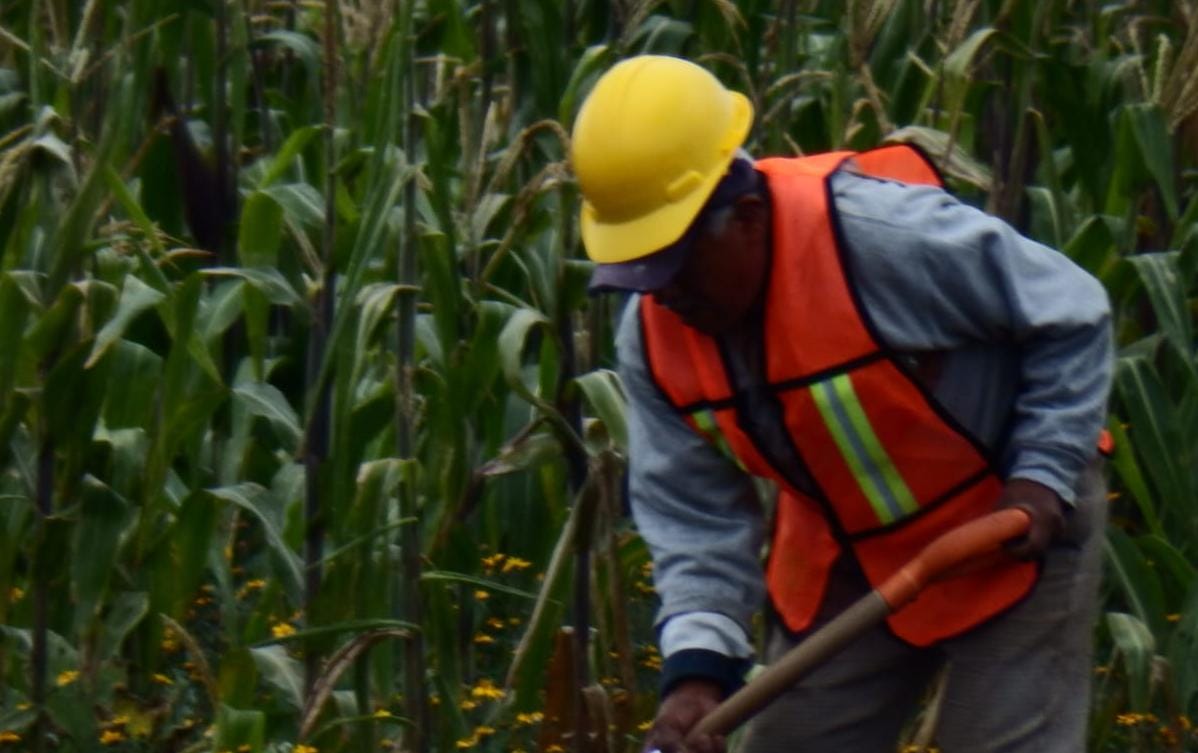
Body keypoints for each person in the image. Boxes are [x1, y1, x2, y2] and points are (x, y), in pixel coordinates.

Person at [570, 55, 1113, 753]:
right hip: (848, 553)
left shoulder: (879, 237)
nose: (663, 293)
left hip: (1006, 528)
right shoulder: (653, 339)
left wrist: (1041, 474)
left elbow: (1072, 311)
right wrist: (696, 677)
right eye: (641, 270)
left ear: (747, 217)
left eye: (676, 264)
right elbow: (693, 516)